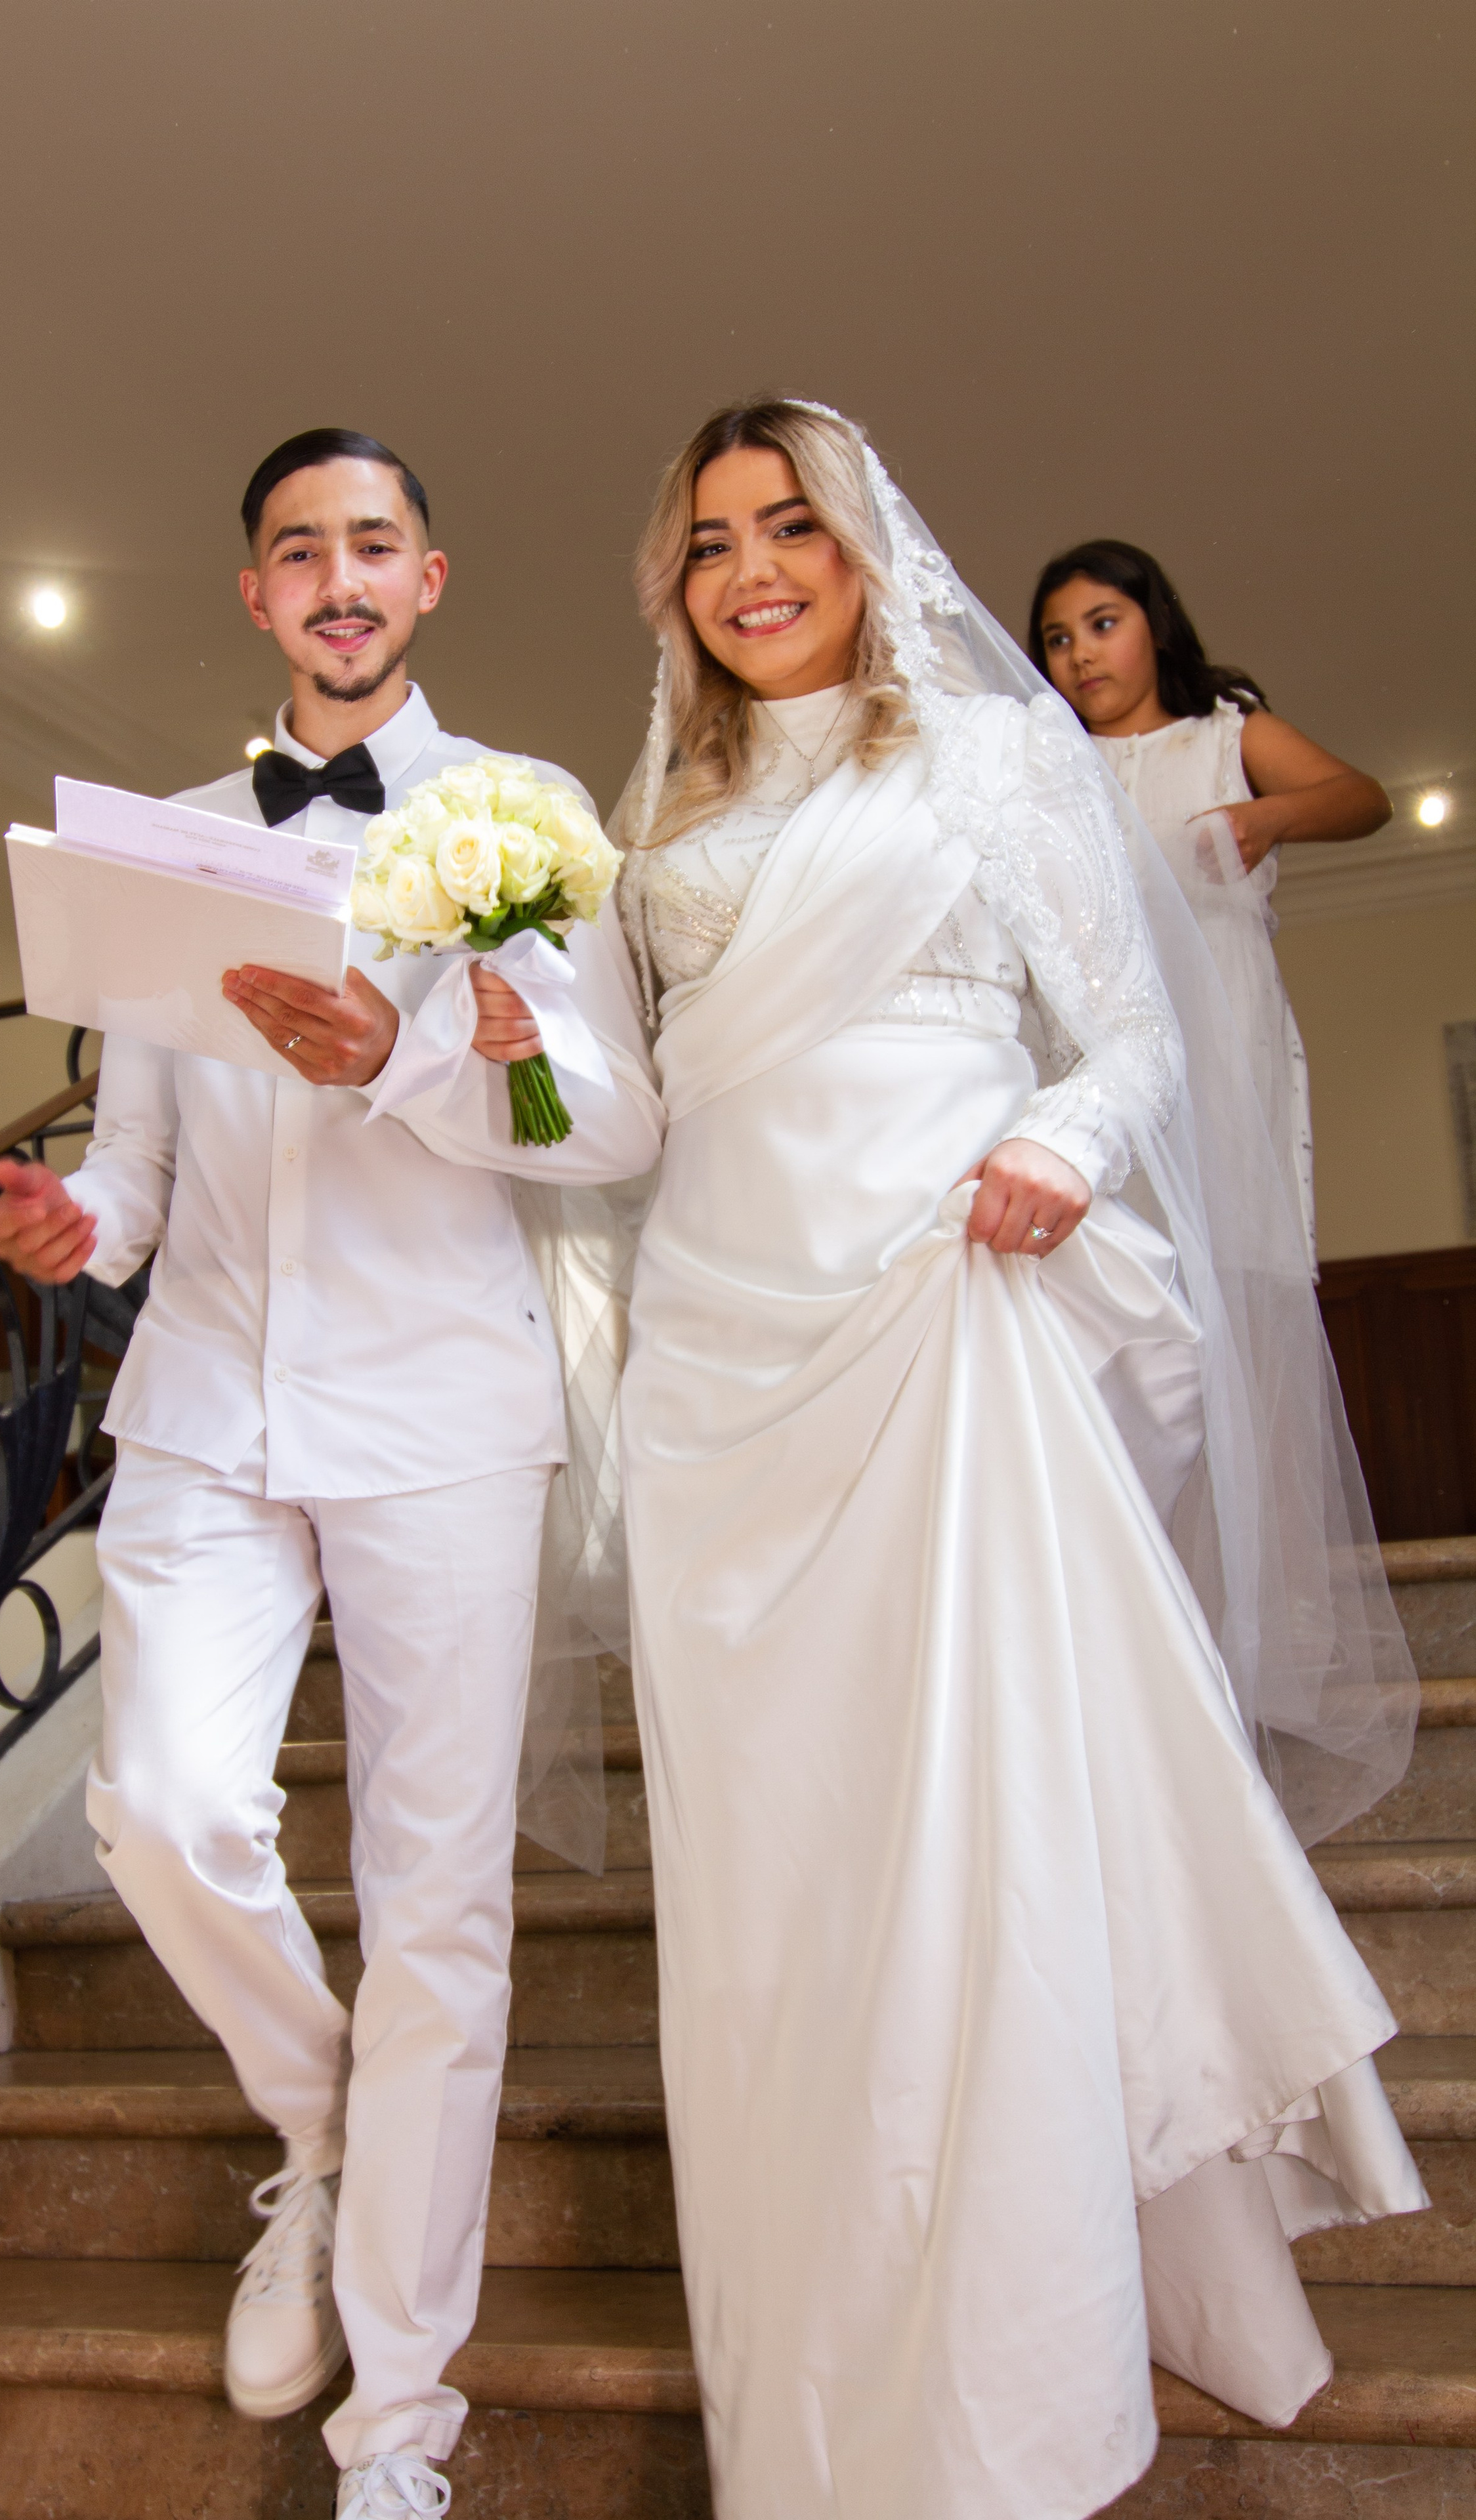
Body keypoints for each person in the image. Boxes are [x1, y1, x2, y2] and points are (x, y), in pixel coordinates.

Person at [610, 401, 1422, 2520]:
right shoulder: (666, 812)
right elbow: (633, 1119)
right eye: (712, 539)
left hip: (939, 1321)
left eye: (794, 523)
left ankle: (1007, 2397)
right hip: (718, 1381)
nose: (754, 566)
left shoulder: (990, 752)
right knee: (774, 1914)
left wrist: (1058, 1141)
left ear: (870, 549)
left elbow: (1133, 1025)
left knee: (963, 1858)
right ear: (675, 585)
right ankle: (802, 2411)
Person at [0, 427, 664, 2520]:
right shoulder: (169, 841)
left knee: (439, 1914)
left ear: (429, 580)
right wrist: (72, 1228)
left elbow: (612, 1117)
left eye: (374, 544)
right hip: (202, 1398)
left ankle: (401, 2436)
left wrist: (426, 1059)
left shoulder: (522, 814)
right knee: (167, 1808)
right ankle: (321, 2113)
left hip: (442, 1412)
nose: (339, 578)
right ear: (257, 597)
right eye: (301, 551)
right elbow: (137, 1163)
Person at [1031, 542, 1392, 1271]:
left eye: (1103, 625)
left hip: (1219, 1024)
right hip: (1090, 1033)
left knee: (1227, 1242)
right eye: (1058, 639)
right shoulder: (1047, 766)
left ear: (1157, 627)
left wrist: (1271, 817)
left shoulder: (1227, 737)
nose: (1080, 656)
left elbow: (1365, 800)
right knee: (1108, 1250)